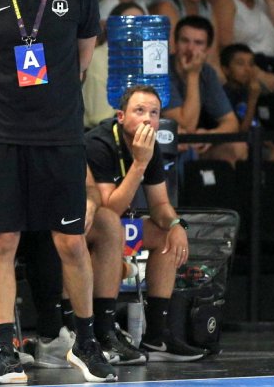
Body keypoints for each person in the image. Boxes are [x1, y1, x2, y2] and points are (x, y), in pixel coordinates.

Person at [0, 0, 116, 385]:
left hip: (59, 134)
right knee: (2, 240)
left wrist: (50, 104)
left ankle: (87, 342)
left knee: (71, 242)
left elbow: (82, 59)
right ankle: (7, 349)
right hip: (3, 133)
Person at [86, 85, 208, 361]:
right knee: (111, 225)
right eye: (139, 111)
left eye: (154, 113)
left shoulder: (149, 145)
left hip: (121, 227)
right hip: (94, 229)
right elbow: (109, 209)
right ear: (120, 116)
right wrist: (139, 164)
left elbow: (161, 206)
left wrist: (179, 225)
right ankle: (103, 332)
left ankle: (156, 337)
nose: (147, 119)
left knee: (167, 236)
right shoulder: (99, 144)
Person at [162, 15, 245, 165]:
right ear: (175, 42)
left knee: (238, 147)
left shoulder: (207, 72)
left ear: (207, 49)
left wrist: (210, 135)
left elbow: (231, 122)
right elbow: (186, 125)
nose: (190, 49)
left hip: (192, 146)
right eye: (184, 41)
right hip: (164, 143)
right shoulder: (161, 71)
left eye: (198, 43)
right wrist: (193, 74)